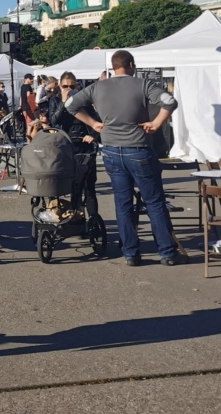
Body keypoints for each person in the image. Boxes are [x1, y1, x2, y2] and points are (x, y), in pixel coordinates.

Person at [66, 50, 180, 266]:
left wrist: (93, 123)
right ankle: (167, 252)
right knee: (154, 202)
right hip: (138, 148)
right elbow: (169, 101)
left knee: (123, 202)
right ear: (130, 64)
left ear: (113, 66)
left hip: (111, 149)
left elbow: (70, 105)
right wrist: (156, 123)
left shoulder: (98, 86)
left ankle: (131, 253)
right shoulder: (142, 84)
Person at [49, 73, 100, 220]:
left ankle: (93, 220)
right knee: (70, 185)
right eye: (65, 86)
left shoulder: (83, 102)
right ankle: (74, 215)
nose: (69, 89)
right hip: (65, 146)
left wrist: (93, 136)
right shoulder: (55, 100)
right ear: (60, 86)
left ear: (77, 86)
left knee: (88, 187)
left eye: (72, 86)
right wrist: (63, 102)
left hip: (84, 145)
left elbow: (96, 121)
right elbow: (54, 120)